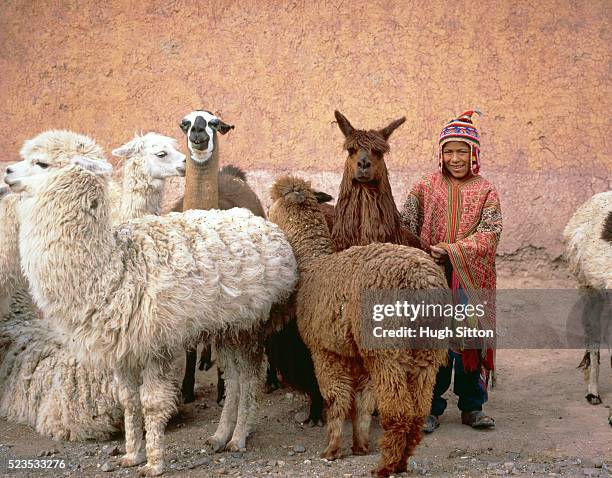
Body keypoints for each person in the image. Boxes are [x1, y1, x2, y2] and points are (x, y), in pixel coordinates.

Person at [401, 110, 502, 432]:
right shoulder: (425, 187)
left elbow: (491, 232)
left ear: (474, 154)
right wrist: (421, 253)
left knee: (470, 340)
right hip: (431, 277)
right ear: (440, 153)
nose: (455, 158)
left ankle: (473, 407)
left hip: (471, 279)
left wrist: (453, 250)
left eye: (462, 151)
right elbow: (405, 225)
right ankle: (430, 407)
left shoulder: (486, 190)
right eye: (449, 151)